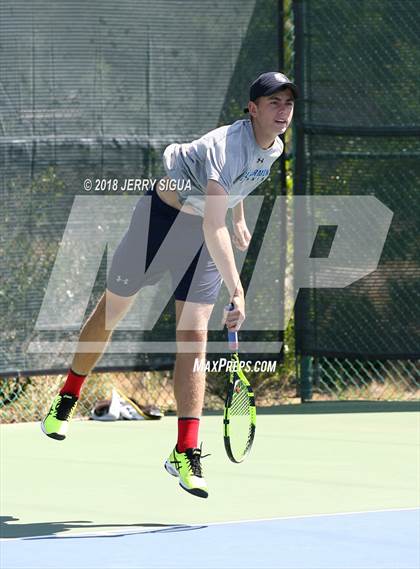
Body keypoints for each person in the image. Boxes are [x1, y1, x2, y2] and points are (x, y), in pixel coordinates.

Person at [41, 71, 297, 499]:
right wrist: (237, 288)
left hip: (202, 236)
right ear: (252, 109)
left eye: (288, 102)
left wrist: (240, 216)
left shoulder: (274, 146)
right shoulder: (222, 146)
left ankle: (186, 450)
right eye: (274, 103)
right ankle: (68, 396)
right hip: (159, 223)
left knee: (194, 336)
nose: (283, 110)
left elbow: (240, 183)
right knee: (111, 313)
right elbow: (215, 218)